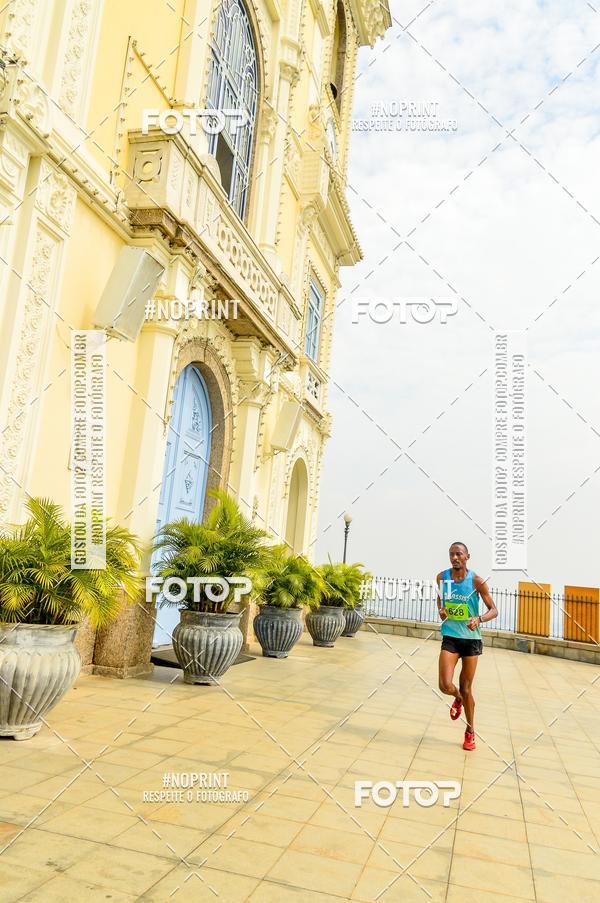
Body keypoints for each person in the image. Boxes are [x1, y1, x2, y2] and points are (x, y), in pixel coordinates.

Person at [436, 542, 497, 750]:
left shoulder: (477, 581)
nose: (455, 557)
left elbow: (494, 610)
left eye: (459, 554)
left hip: (471, 639)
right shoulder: (442, 577)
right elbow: (440, 601)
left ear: (467, 557)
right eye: (452, 554)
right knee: (445, 685)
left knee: (467, 687)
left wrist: (478, 619)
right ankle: (457, 697)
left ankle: (470, 731)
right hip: (451, 636)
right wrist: (442, 611)